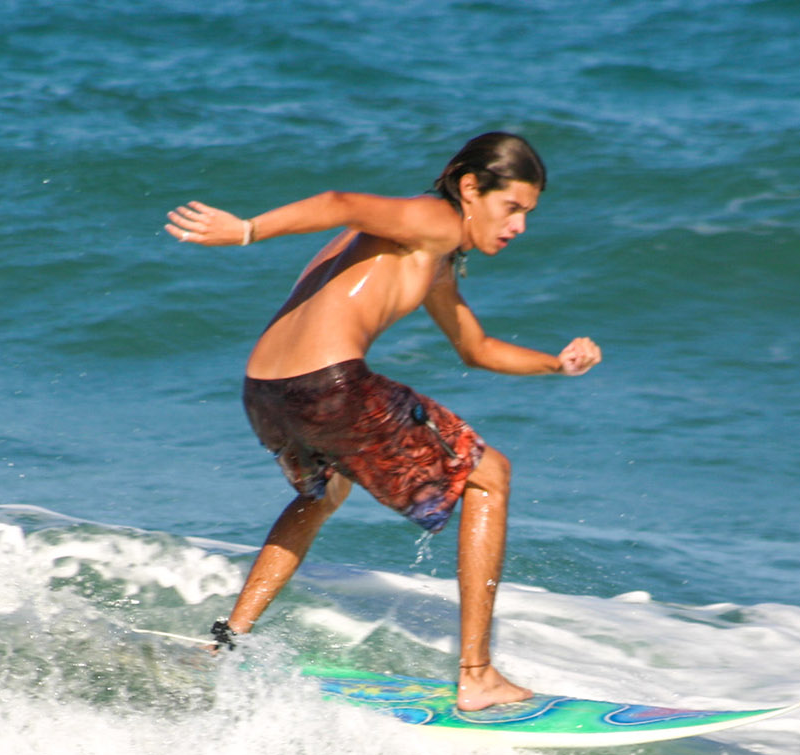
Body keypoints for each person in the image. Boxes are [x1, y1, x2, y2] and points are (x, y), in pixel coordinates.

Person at [166, 131, 600, 711]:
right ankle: (477, 675)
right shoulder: (435, 220)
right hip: (329, 385)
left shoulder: (422, 250)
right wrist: (244, 231)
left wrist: (556, 363)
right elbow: (339, 201)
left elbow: (475, 347)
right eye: (512, 208)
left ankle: (226, 643)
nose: (519, 226)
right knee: (489, 475)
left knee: (323, 495)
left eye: (528, 213)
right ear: (471, 189)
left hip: (266, 392)